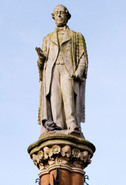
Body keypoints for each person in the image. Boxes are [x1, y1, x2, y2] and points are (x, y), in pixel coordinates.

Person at [36, 5, 88, 134]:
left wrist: (78, 72)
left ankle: (72, 125)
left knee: (69, 98)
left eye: (61, 13)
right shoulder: (47, 39)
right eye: (56, 13)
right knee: (55, 100)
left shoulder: (76, 36)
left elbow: (83, 58)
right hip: (52, 70)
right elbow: (41, 64)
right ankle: (57, 125)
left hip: (67, 70)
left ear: (67, 16)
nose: (59, 15)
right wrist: (41, 58)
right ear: (53, 17)